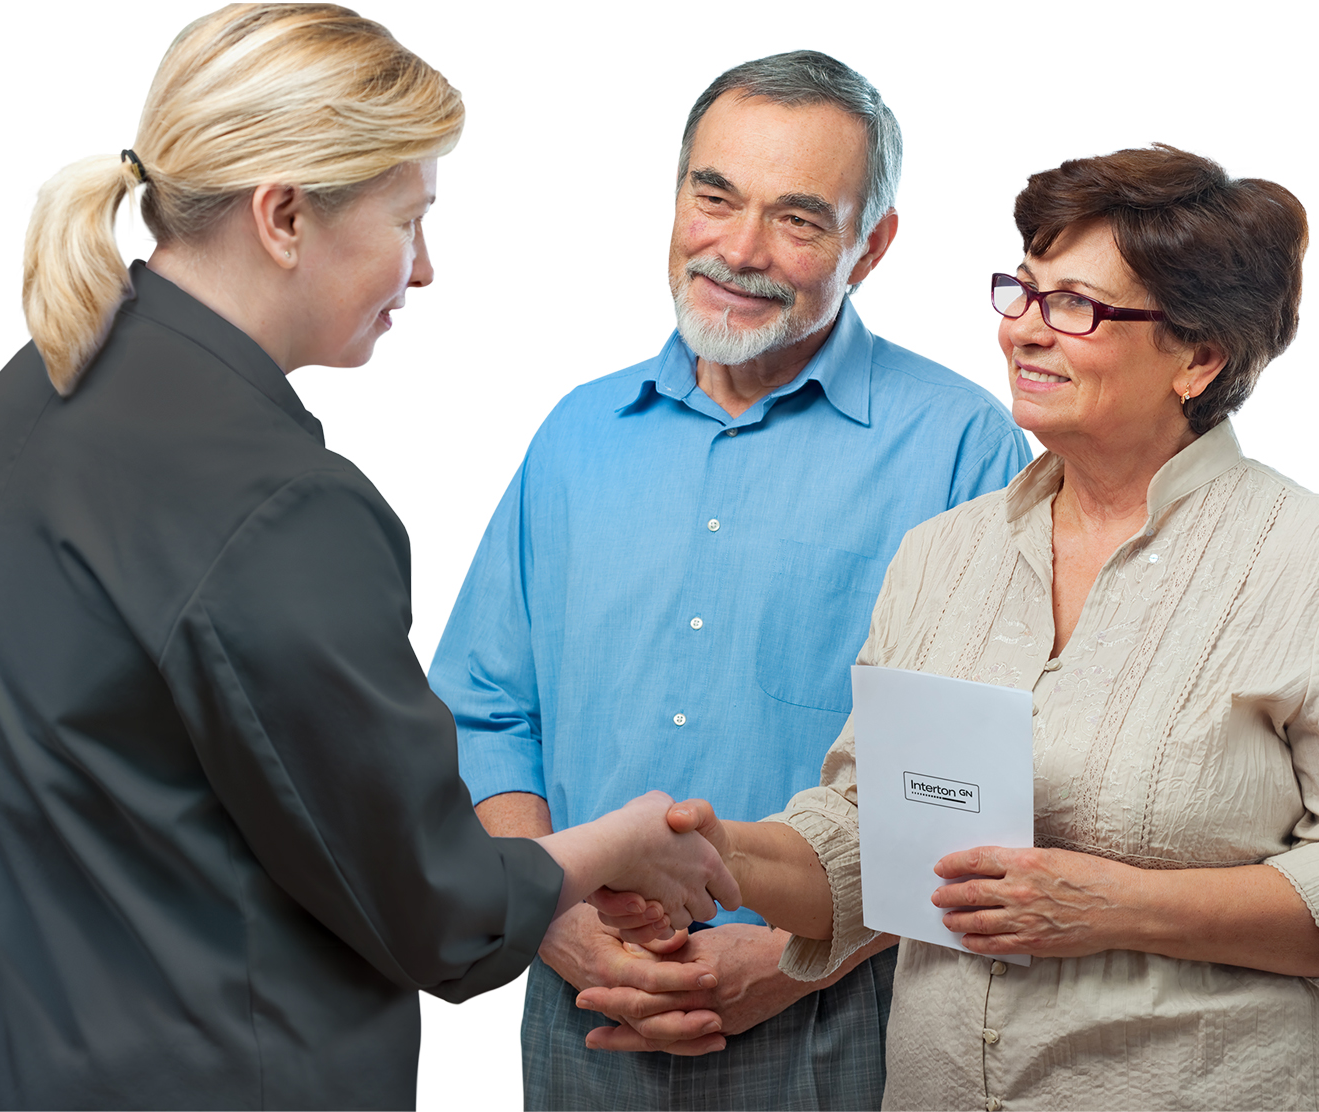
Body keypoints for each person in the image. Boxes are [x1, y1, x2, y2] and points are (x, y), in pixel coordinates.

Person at [0, 5, 737, 1109]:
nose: (422, 269)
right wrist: (613, 842)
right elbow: (440, 908)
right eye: (407, 219)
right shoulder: (284, 506)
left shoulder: (13, 406)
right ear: (283, 214)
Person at [642, 144, 1319, 1110]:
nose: (1026, 334)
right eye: (1022, 294)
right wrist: (718, 855)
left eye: (1074, 306)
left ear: (1199, 359)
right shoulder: (940, 558)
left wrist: (1119, 906)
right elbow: (871, 838)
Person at [427, 50, 1030, 1110]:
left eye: (797, 219)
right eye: (715, 197)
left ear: (871, 243)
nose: (739, 250)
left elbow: (963, 791)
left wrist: (793, 957)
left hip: (833, 1016)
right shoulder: (575, 435)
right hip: (582, 1005)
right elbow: (483, 712)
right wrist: (551, 912)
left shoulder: (962, 447)